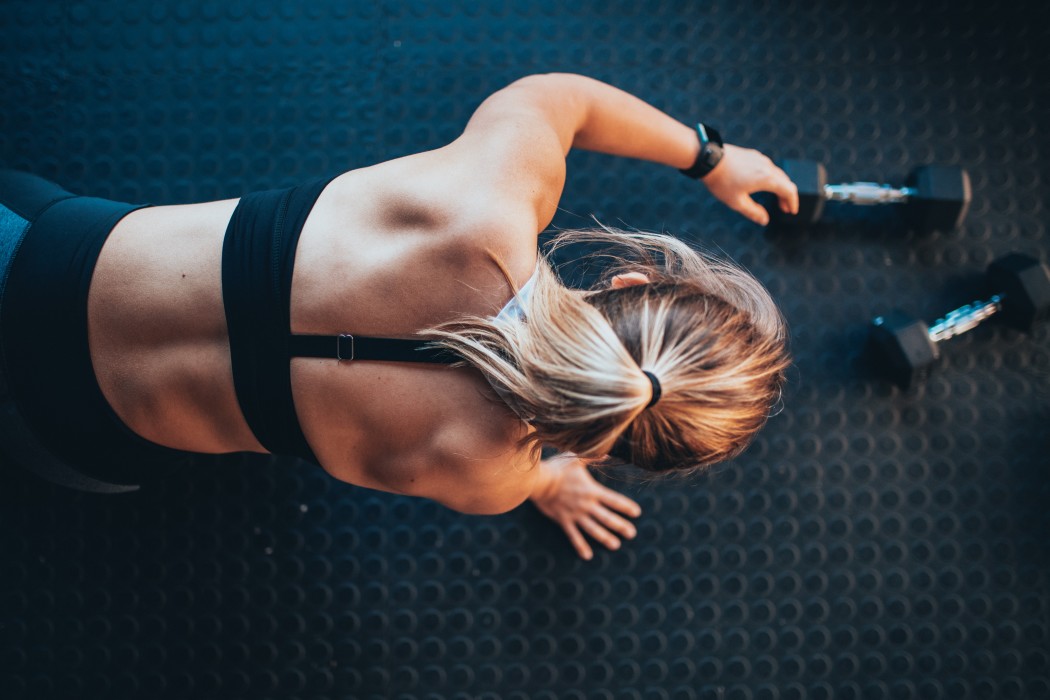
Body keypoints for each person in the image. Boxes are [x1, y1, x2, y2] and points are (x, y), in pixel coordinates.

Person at [0, 73, 797, 560]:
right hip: (70, 435)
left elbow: (568, 100)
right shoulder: (488, 474)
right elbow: (531, 463)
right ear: (610, 439)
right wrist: (550, 483)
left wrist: (713, 157)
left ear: (628, 277)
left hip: (40, 252)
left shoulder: (481, 207)